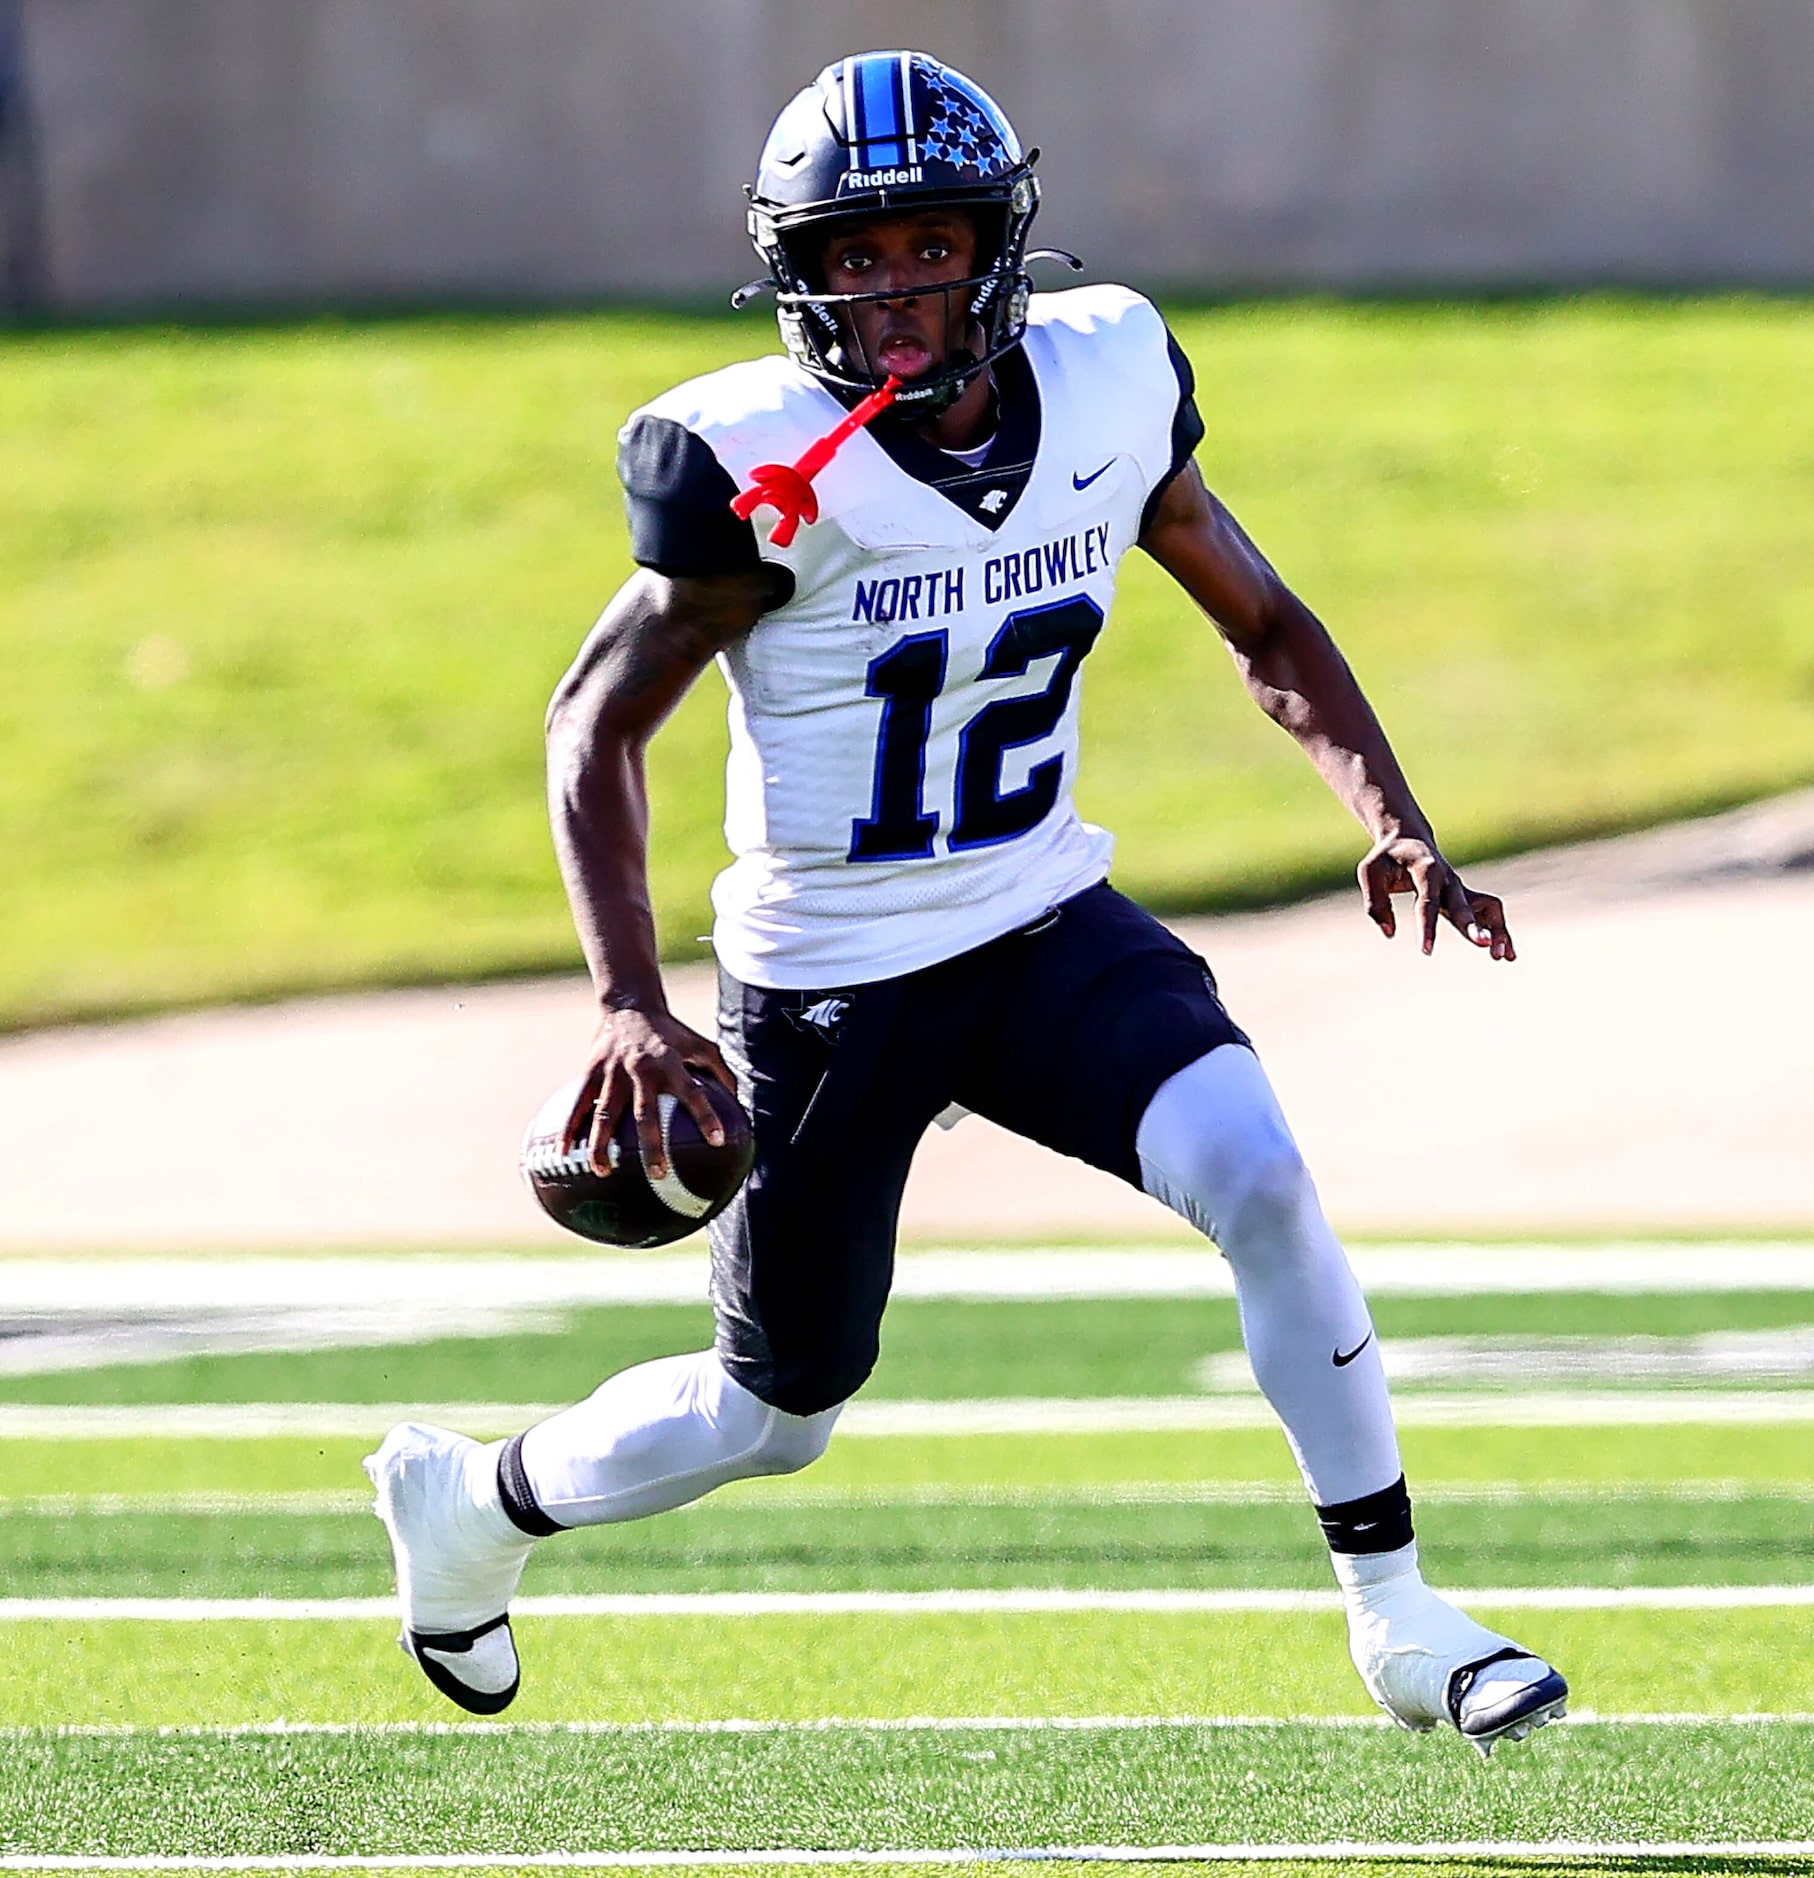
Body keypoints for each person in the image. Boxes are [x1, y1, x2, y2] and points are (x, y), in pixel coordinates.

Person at [367, 50, 1568, 1752]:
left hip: (1036, 919)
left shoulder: (1107, 378)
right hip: (831, 978)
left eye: (923, 242)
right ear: (795, 272)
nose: (890, 292)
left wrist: (1390, 816)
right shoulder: (752, 459)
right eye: (848, 256)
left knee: (1261, 1173)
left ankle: (1396, 1612)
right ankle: (479, 1504)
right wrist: (631, 1000)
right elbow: (592, 722)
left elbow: (1263, 618)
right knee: (773, 1415)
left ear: (997, 244)